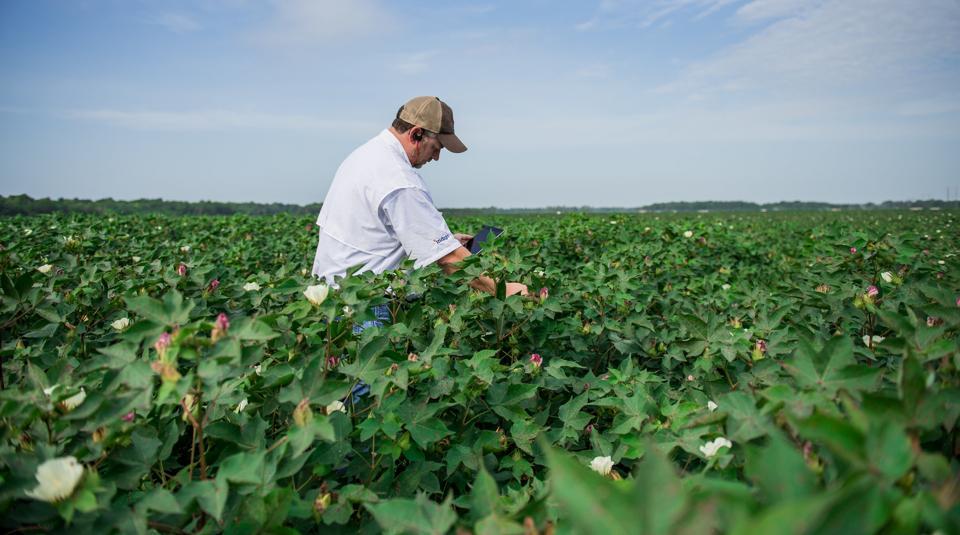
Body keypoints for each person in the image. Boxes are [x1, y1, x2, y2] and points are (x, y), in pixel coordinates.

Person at [311, 96, 528, 297]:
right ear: (416, 134)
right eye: (436, 147)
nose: (437, 157)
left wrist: (444, 242)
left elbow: (371, 232)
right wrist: (503, 290)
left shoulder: (365, 155)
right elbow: (450, 260)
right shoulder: (400, 180)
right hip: (366, 304)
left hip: (333, 296)